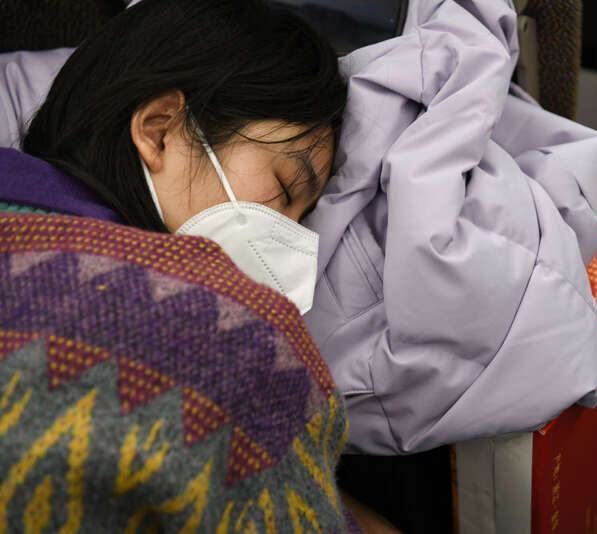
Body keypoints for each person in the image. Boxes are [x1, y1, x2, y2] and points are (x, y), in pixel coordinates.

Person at [0, 0, 400, 531]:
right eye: (284, 189)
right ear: (160, 129)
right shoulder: (218, 333)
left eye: (304, 217)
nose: (292, 241)